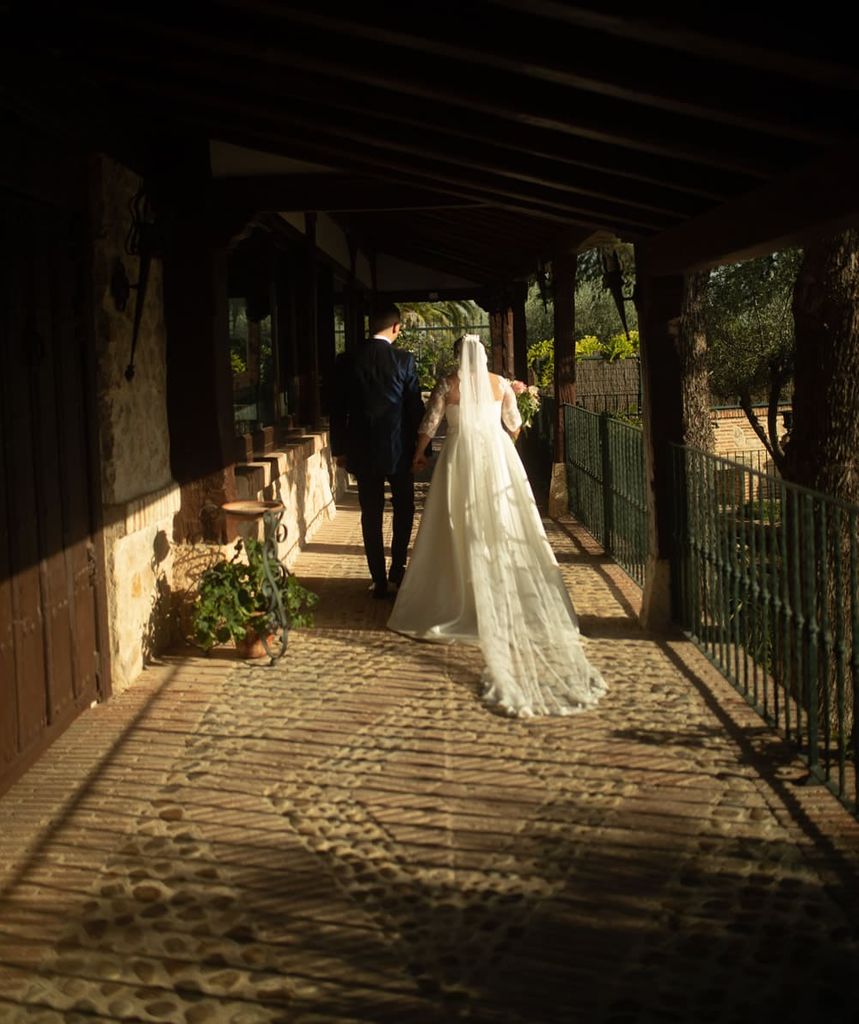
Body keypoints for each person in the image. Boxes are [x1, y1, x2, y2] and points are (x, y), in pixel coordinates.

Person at [388, 334, 606, 717]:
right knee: (506, 525)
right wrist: (501, 439)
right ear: (484, 355)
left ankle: (457, 599)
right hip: (497, 456)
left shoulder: (447, 383)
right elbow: (515, 424)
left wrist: (419, 455)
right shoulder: (501, 383)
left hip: (459, 458)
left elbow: (430, 423)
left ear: (458, 356)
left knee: (457, 525)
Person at [330, 303, 425, 599]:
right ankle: (398, 571)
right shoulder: (404, 360)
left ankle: (378, 580)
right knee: (404, 510)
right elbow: (414, 409)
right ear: (396, 327)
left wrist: (339, 449)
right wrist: (423, 451)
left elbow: (338, 410)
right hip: (399, 451)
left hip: (362, 451)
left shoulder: (348, 360)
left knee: (370, 513)